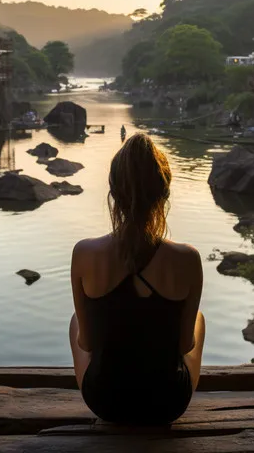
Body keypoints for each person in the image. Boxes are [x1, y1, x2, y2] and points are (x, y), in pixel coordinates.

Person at [69, 133, 205, 425]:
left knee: (76, 321)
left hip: (105, 403)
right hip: (168, 404)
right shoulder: (188, 259)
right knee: (198, 320)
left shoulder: (84, 253)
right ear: (164, 193)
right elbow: (185, 346)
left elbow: (87, 342)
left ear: (113, 193)